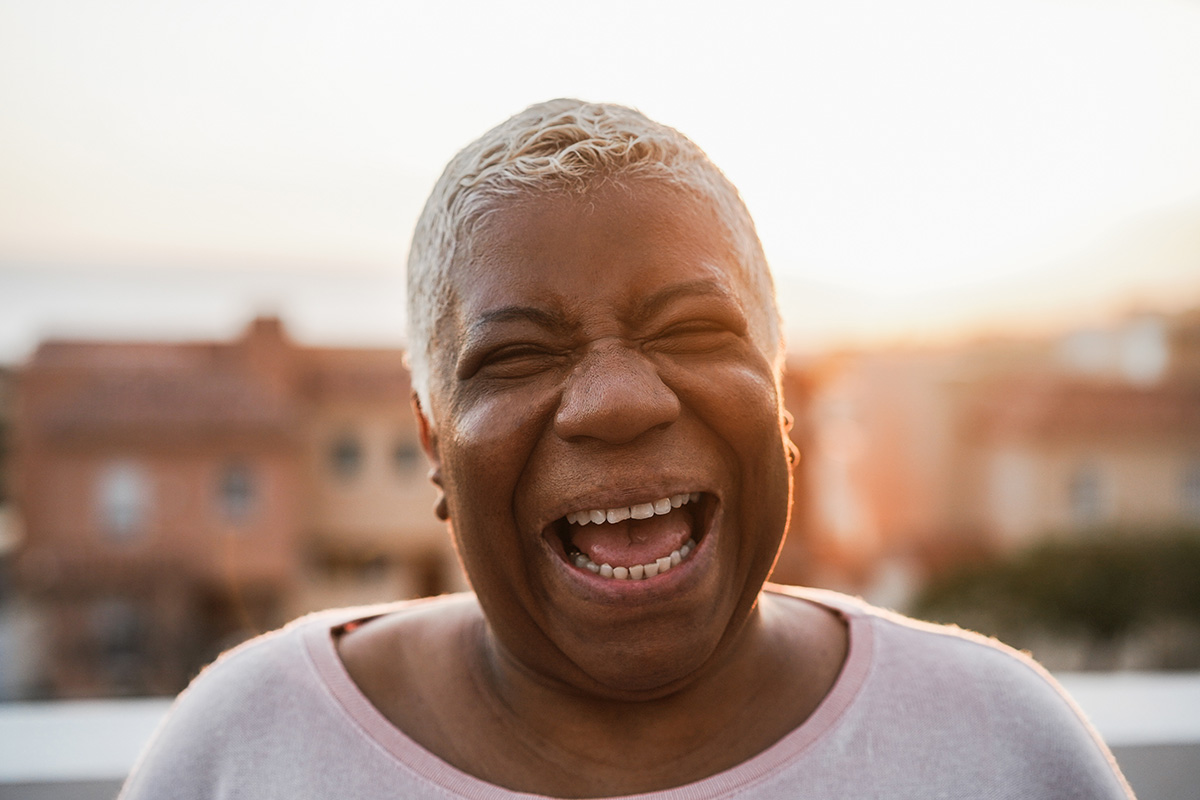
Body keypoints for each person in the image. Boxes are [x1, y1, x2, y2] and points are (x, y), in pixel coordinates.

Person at [120, 99, 1134, 799]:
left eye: (693, 331)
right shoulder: (247, 750)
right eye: (516, 354)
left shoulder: (1001, 747)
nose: (615, 400)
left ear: (780, 393)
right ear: (433, 440)